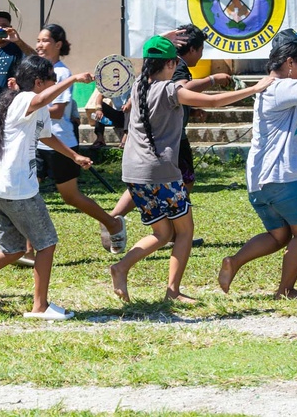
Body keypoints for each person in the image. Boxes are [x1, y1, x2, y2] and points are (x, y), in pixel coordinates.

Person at [110, 35, 275, 304]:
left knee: (163, 234)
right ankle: (173, 292)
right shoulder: (169, 90)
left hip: (132, 172)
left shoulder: (139, 85)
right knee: (184, 231)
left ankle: (121, 267)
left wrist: (164, 38)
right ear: (172, 64)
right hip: (161, 172)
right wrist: (255, 88)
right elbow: (211, 102)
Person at [0, 56, 93, 320]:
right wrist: (72, 79)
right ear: (39, 82)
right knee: (46, 243)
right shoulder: (24, 99)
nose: (56, 84)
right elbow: (38, 100)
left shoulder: (36, 107)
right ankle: (40, 307)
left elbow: (45, 136)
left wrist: (74, 156)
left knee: (12, 250)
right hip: (17, 190)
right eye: (53, 80)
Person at [218, 30, 297, 299]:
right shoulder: (281, 86)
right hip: (284, 178)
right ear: (290, 62)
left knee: (279, 235)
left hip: (259, 182)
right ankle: (286, 289)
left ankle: (234, 261)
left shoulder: (272, 88)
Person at [34, 24, 126, 255]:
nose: (39, 45)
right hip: (37, 141)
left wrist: (30, 107)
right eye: (38, 40)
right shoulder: (38, 70)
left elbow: (56, 111)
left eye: (45, 40)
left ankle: (112, 222)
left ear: (58, 44)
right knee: (28, 195)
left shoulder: (61, 73)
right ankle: (27, 250)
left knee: (71, 196)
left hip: (61, 143)